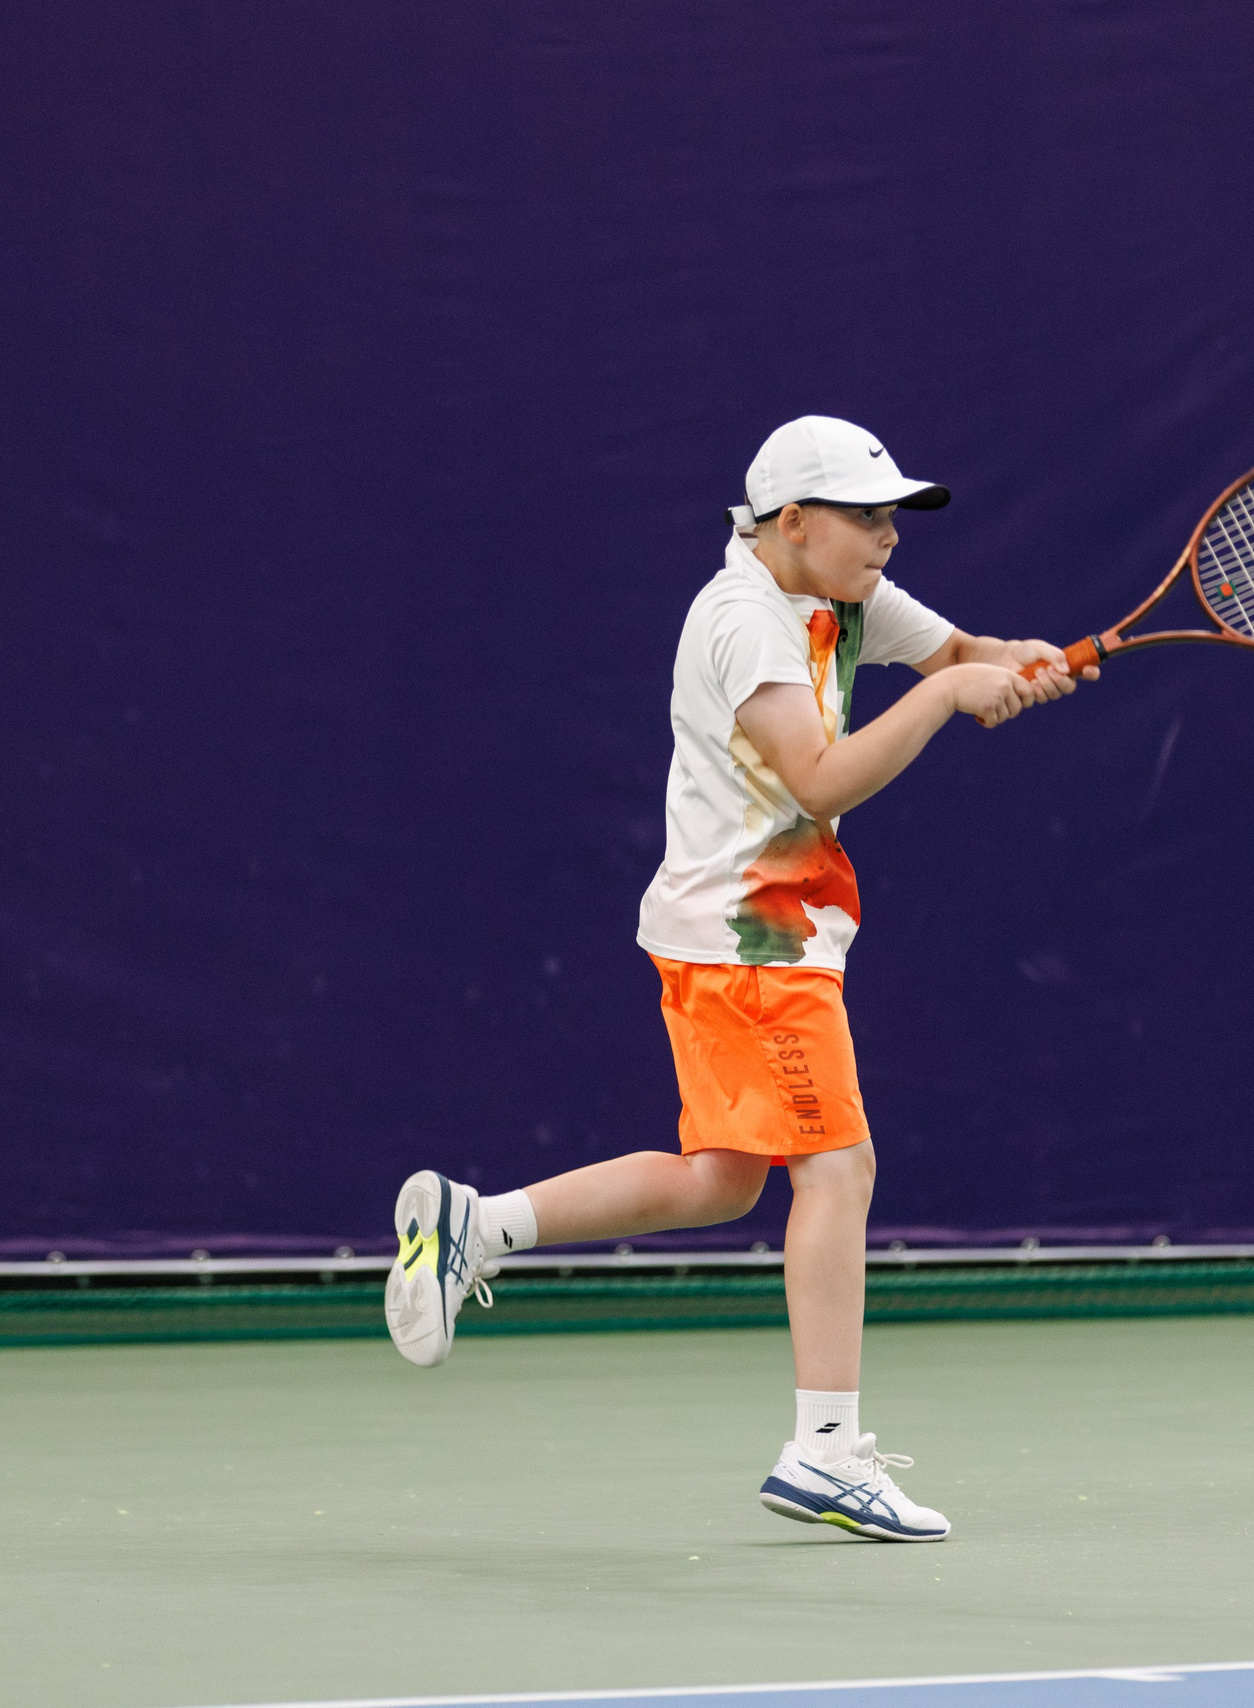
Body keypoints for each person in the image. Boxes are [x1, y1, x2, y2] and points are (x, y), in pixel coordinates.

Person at [383, 416, 1084, 1542]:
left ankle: (478, 1224)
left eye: (894, 514)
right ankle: (825, 1452)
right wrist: (952, 701)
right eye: (865, 515)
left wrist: (1012, 662)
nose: (889, 535)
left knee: (724, 1179)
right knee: (838, 1170)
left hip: (741, 935)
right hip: (750, 943)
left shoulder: (839, 590)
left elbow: (953, 653)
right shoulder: (742, 625)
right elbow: (818, 778)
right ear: (790, 522)